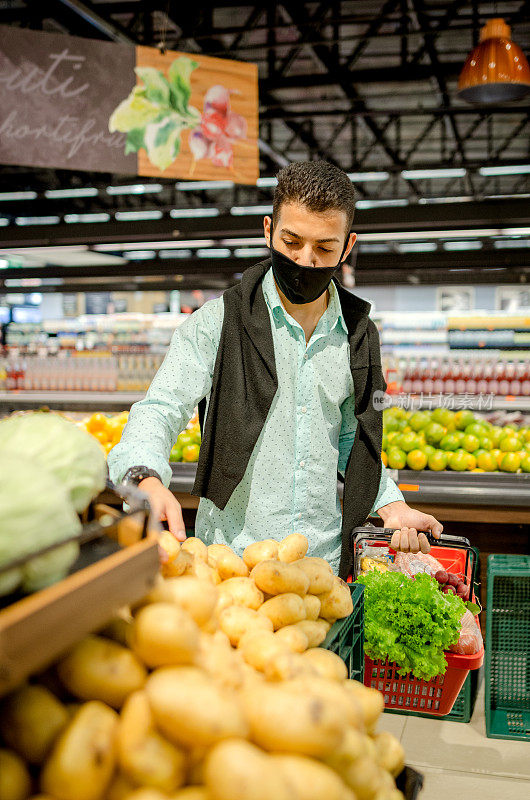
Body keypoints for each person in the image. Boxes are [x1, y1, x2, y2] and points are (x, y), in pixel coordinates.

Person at [108, 161, 443, 576]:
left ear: (348, 245)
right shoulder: (218, 323)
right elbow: (160, 408)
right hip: (230, 565)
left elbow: (353, 440)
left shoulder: (357, 334)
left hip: (319, 569)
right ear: (268, 230)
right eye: (291, 241)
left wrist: (391, 505)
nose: (305, 260)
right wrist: (145, 478)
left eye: (324, 248)